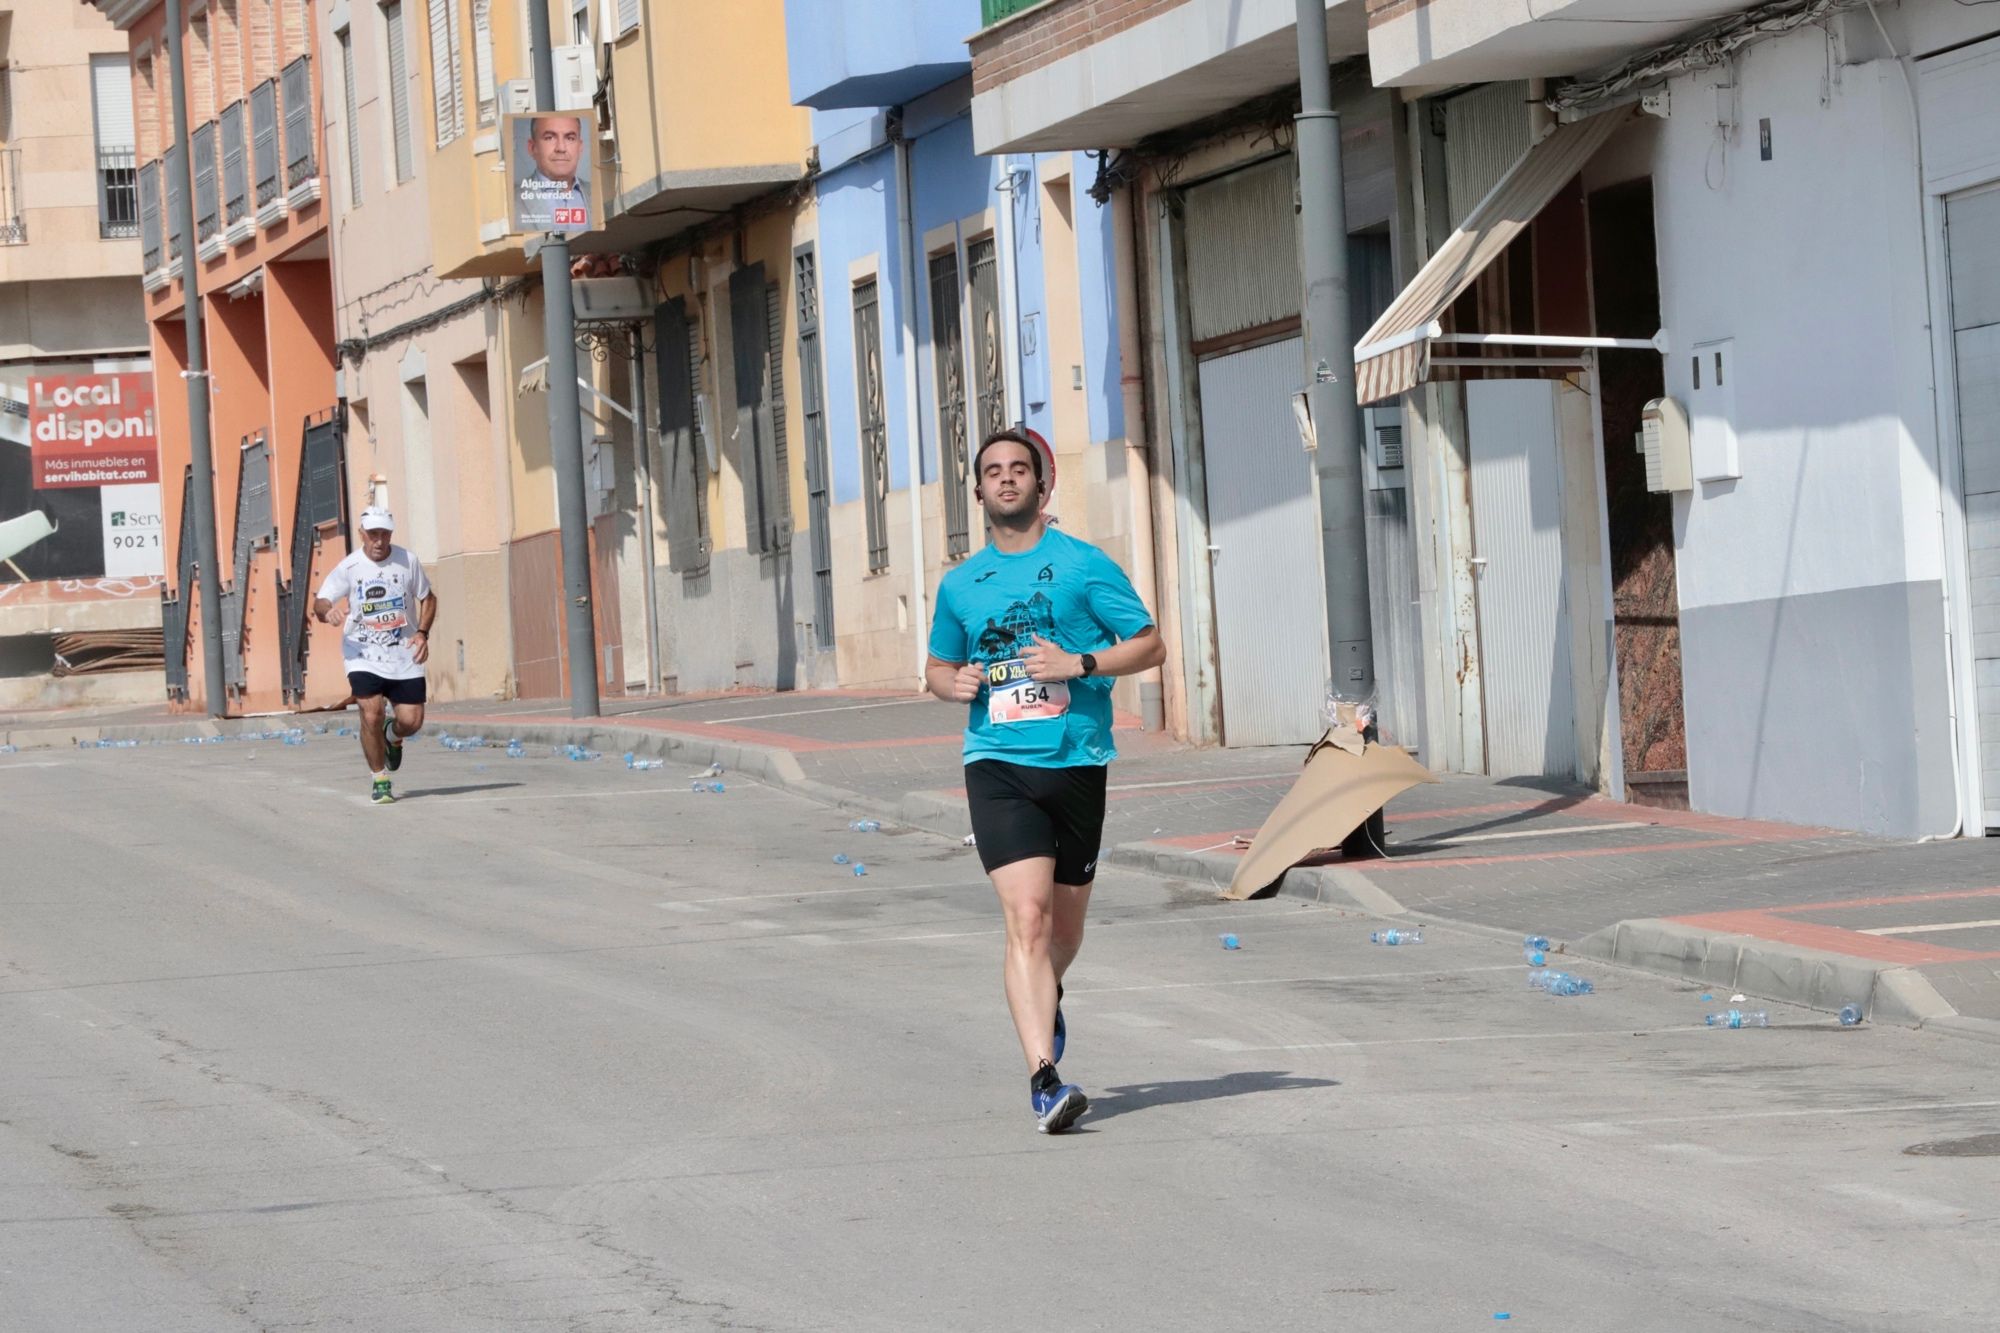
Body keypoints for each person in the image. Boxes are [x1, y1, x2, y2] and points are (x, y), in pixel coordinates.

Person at [925, 428, 1165, 1134]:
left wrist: (1081, 665)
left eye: (1018, 469)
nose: (1006, 480)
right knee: (1025, 918)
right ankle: (1044, 1077)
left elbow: (1148, 642)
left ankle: (1043, 993)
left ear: (1043, 483)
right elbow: (937, 668)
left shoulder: (1084, 566)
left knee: (1063, 925)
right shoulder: (960, 583)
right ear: (977, 491)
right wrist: (952, 683)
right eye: (993, 471)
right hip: (997, 763)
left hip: (1077, 760)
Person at [313, 507, 436, 805]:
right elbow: (321, 601)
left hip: (402, 652)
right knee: (371, 712)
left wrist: (422, 633)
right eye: (373, 534)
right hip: (362, 651)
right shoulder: (350, 567)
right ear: (362, 534)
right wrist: (328, 611)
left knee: (412, 720)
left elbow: (428, 598)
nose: (379, 541)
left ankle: (392, 736)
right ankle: (380, 778)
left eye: (385, 534)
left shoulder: (408, 561)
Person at [519, 115, 587, 218]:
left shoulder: (593, 193)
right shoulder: (514, 198)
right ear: (532, 147)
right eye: (549, 138)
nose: (561, 148)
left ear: (580, 147)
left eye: (570, 138)